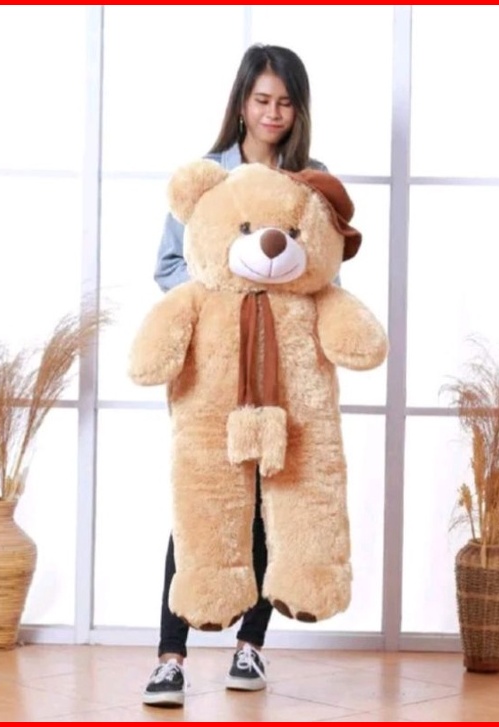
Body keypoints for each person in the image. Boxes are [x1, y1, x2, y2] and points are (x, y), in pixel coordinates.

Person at [142, 43, 328, 708]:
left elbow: (324, 268)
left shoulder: (310, 179)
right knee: (201, 507)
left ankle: (251, 644)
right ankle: (170, 658)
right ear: (242, 104)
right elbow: (168, 267)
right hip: (213, 373)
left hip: (283, 372)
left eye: (285, 102)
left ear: (298, 109)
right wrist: (227, 298)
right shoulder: (206, 178)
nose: (273, 113)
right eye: (262, 100)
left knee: (270, 504)